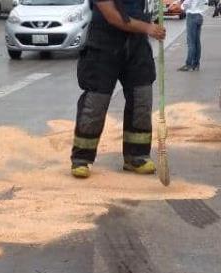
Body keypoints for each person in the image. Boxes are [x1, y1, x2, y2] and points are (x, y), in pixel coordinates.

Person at [70, 0, 166, 179]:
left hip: (137, 45)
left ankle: (136, 156)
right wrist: (148, 28)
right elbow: (113, 16)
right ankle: (81, 158)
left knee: (141, 98)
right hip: (104, 43)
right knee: (95, 102)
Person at [178, 0, 204, 71]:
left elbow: (186, 3)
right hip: (200, 15)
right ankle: (196, 64)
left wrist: (181, 5)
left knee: (191, 42)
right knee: (197, 42)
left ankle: (188, 64)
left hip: (192, 15)